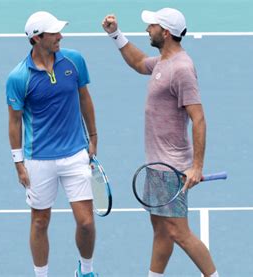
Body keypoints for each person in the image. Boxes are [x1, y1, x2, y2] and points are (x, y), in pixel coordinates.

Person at [102, 8, 219, 277]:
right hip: (156, 164)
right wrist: (115, 35)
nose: (147, 30)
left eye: (151, 26)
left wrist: (197, 166)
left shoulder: (181, 69)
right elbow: (138, 62)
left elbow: (199, 119)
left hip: (171, 168)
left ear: (165, 32)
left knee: (179, 232)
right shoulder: (164, 62)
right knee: (160, 229)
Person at [6, 11, 98, 277]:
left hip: (75, 154)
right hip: (38, 159)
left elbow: (85, 99)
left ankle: (86, 270)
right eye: (54, 33)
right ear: (37, 38)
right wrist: (18, 163)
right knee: (39, 222)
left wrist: (93, 137)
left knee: (86, 222)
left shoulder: (74, 61)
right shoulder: (18, 77)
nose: (60, 36)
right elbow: (14, 122)